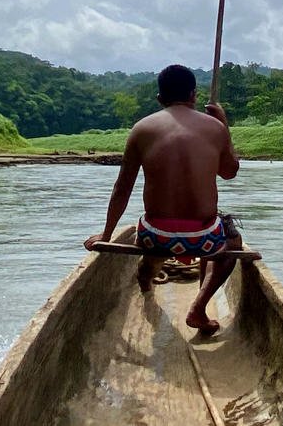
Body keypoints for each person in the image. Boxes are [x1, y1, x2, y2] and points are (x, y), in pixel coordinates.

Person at [84, 64, 241, 335]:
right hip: (203, 238)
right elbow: (229, 172)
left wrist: (106, 235)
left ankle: (146, 281)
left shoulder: (141, 129)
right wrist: (223, 124)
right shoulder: (215, 127)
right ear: (193, 95)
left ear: (159, 98)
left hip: (155, 237)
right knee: (231, 242)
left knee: (152, 240)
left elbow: (122, 188)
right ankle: (199, 307)